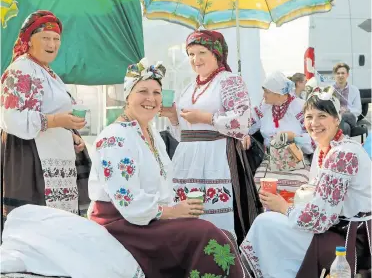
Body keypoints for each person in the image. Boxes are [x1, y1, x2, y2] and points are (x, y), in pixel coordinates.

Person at [88, 58, 250, 278]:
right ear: (128, 96)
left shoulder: (151, 134)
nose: (151, 99)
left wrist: (176, 210)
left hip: (147, 220)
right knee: (205, 235)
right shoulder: (115, 138)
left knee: (220, 233)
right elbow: (128, 202)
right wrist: (172, 212)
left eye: (156, 93)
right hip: (122, 224)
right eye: (142, 91)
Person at [240, 86, 371, 278]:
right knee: (268, 223)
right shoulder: (324, 149)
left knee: (266, 224)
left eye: (322, 116)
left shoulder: (343, 154)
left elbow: (319, 219)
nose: (314, 123)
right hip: (336, 227)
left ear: (337, 119)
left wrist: (284, 207)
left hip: (352, 240)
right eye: (309, 117)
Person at [159, 30, 262, 244]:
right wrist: (173, 117)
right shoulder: (189, 87)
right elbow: (183, 133)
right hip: (188, 160)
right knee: (187, 213)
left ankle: (227, 261)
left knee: (221, 216)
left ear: (217, 53)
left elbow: (243, 119)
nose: (196, 59)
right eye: (191, 54)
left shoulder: (229, 81)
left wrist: (206, 117)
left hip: (219, 157)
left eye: (202, 52)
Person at [0, 10, 89, 218]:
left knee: (57, 222)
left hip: (56, 155)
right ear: (29, 40)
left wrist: (71, 134)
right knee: (37, 224)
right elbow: (10, 118)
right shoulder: (21, 69)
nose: (52, 44)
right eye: (45, 38)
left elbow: (54, 111)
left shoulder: (48, 72)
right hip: (29, 157)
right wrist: (57, 120)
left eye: (56, 38)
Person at [242, 72, 314, 199]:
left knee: (299, 184)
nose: (263, 95)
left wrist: (294, 138)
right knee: (258, 182)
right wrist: (244, 134)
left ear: (278, 93)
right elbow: (247, 124)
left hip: (296, 159)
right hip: (271, 160)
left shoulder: (300, 107)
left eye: (267, 92)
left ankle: (291, 212)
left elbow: (313, 136)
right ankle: (267, 214)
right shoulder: (264, 107)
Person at [333, 62, 362, 135]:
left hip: (349, 117)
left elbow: (358, 110)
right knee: (345, 127)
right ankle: (345, 145)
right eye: (338, 73)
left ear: (347, 75)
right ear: (335, 75)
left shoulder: (354, 90)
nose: (340, 75)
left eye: (343, 73)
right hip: (334, 118)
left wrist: (347, 110)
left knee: (347, 116)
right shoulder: (330, 89)